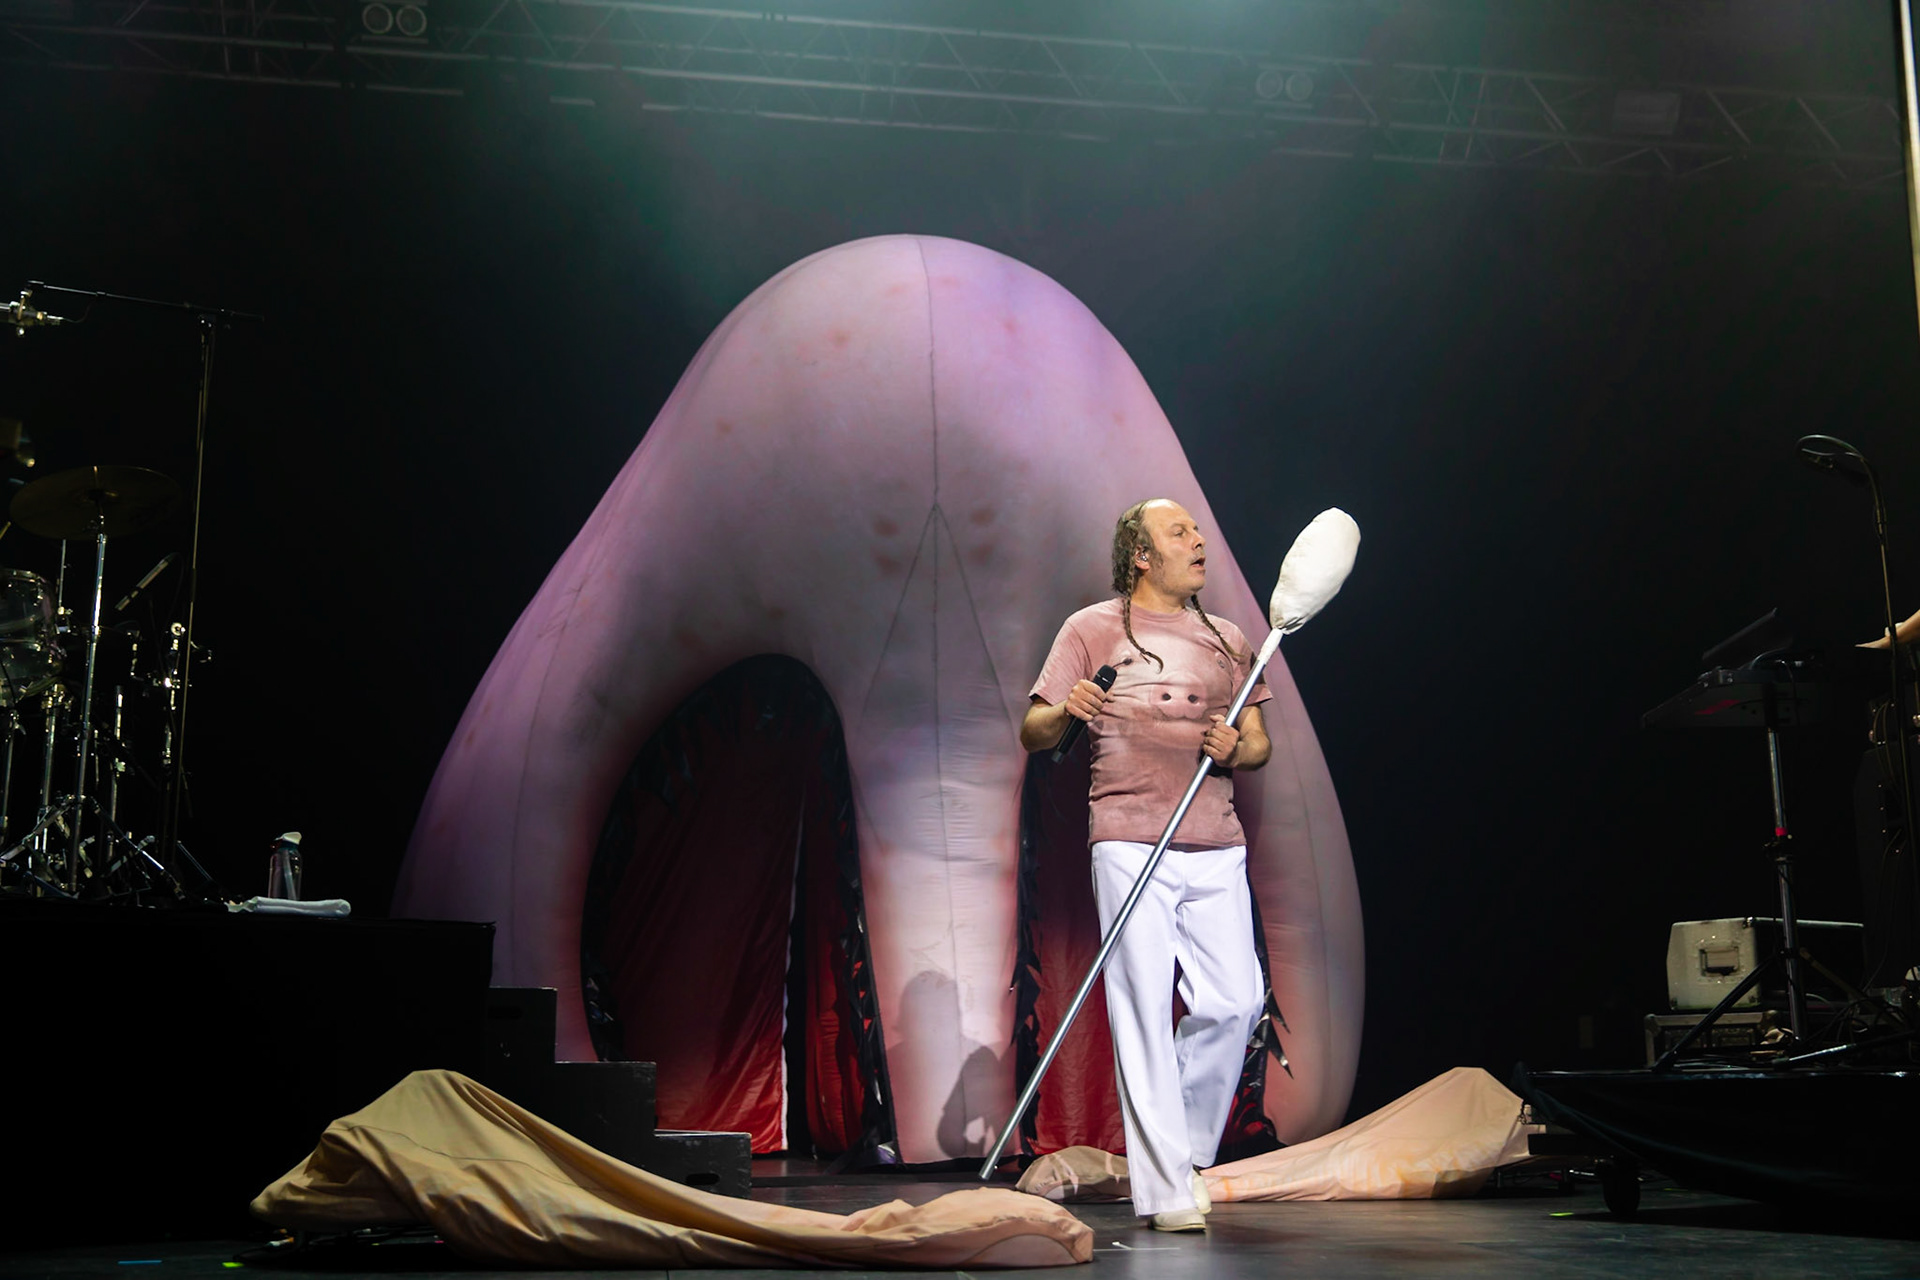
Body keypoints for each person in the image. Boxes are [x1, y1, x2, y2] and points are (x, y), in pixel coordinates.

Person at [1022, 497, 1272, 1233]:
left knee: (1235, 1001)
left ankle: (1177, 1150)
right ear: (1140, 552)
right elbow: (1035, 731)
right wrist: (1067, 708)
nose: (1199, 540)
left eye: (1197, 530)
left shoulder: (1228, 638)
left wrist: (1237, 749)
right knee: (1140, 1008)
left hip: (1214, 837)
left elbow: (1256, 742)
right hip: (1129, 838)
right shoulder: (1090, 628)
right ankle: (1166, 1191)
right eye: (1181, 532)